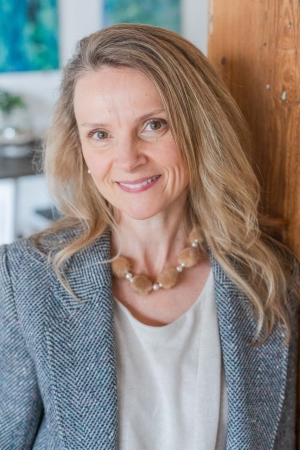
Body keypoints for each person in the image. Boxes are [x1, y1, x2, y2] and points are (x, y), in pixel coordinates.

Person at [0, 23, 299, 450]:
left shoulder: (269, 278)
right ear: (80, 148)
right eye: (100, 134)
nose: (127, 159)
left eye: (154, 125)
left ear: (200, 128)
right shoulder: (26, 279)